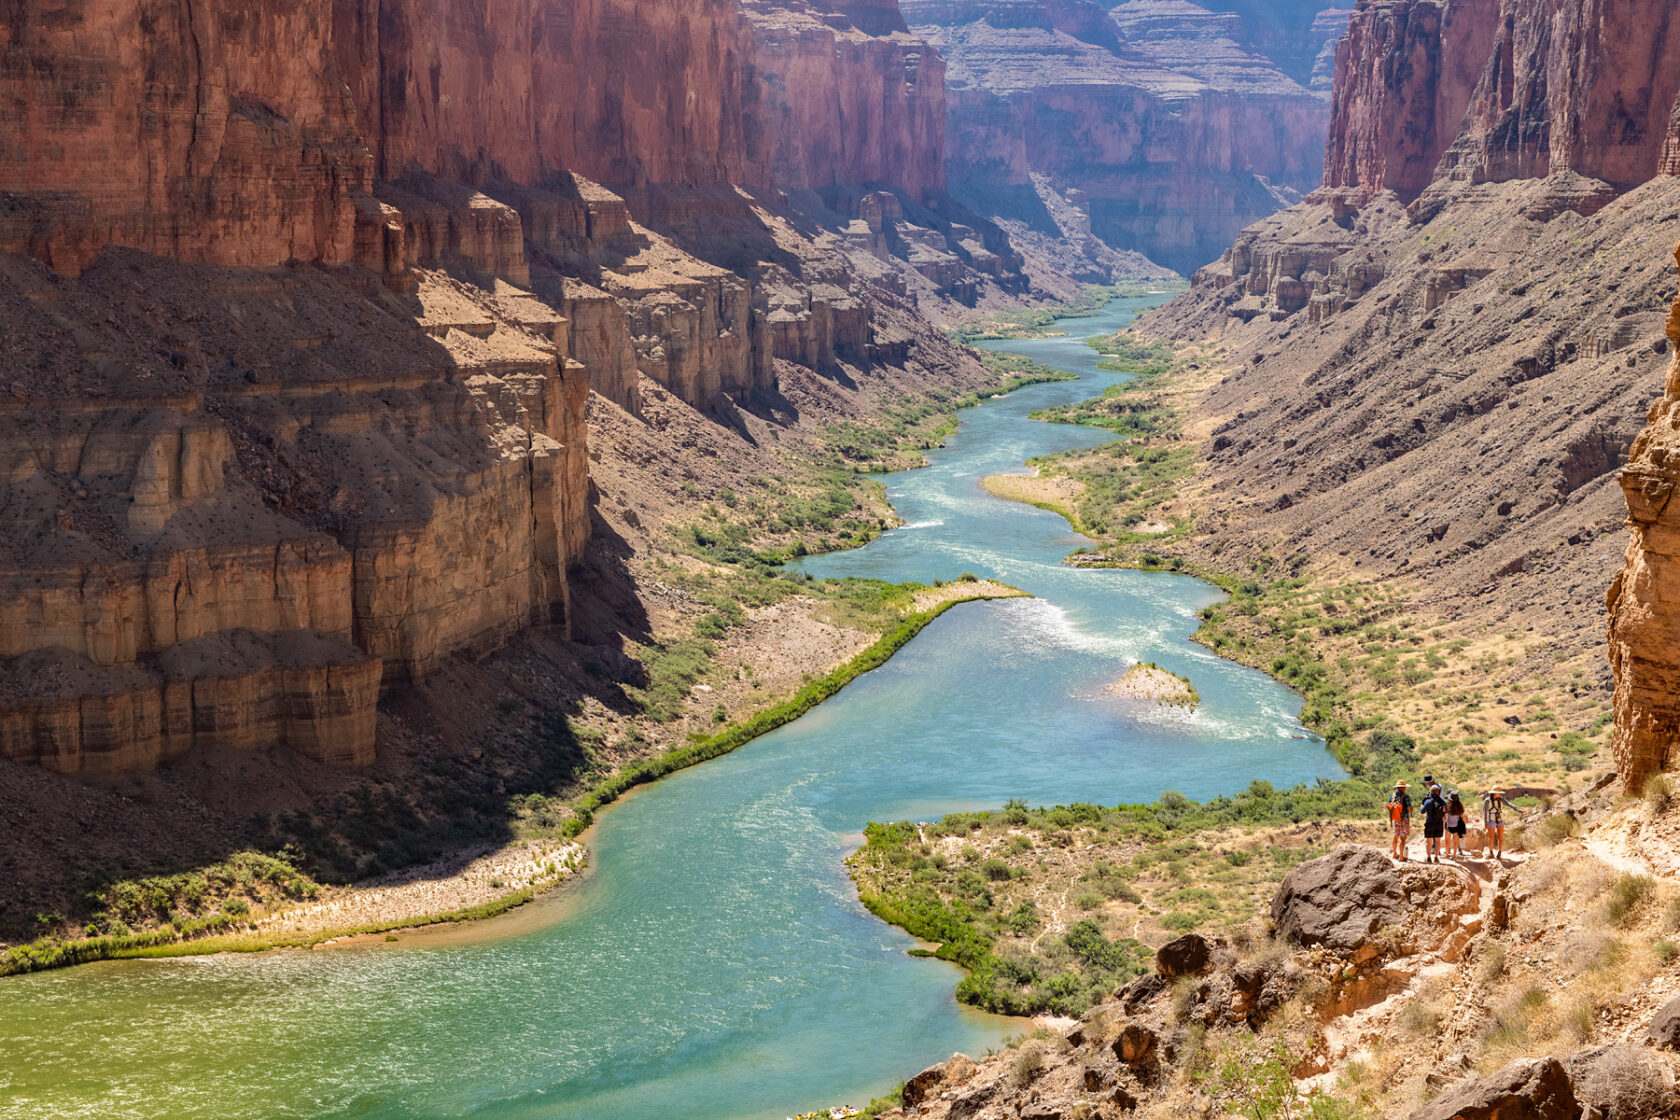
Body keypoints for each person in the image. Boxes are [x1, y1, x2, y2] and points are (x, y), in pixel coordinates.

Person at [1421, 783, 1447, 863]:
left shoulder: (1428, 801)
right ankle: (1436, 857)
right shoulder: (1443, 802)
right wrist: (1443, 823)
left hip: (1430, 823)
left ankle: (1429, 858)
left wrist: (1422, 806)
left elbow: (1422, 811)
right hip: (1439, 823)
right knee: (1438, 841)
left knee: (1429, 841)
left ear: (1431, 791)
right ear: (1438, 792)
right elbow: (1445, 814)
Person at [1388, 780, 1413, 861]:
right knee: (1403, 838)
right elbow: (1409, 809)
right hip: (1404, 819)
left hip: (1396, 818)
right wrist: (1411, 809)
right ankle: (1401, 857)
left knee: (1396, 835)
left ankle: (1395, 853)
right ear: (1403, 788)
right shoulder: (1406, 797)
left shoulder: (1393, 795)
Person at [1483, 788, 1509, 859]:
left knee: (1500, 837)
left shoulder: (1501, 799)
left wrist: (1520, 810)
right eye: (1498, 792)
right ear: (1494, 793)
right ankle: (1491, 853)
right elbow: (1485, 812)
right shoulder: (1487, 800)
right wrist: (1485, 822)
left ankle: (1499, 853)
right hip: (1491, 819)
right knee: (1491, 837)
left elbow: (1510, 804)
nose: (1500, 794)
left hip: (1500, 819)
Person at [1445, 790, 1468, 858]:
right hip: (1456, 825)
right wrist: (1465, 822)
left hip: (1448, 824)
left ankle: (1447, 853)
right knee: (1455, 840)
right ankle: (1454, 855)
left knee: (1447, 839)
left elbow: (1444, 814)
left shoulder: (1446, 805)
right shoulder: (1459, 806)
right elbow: (1462, 815)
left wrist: (1443, 822)